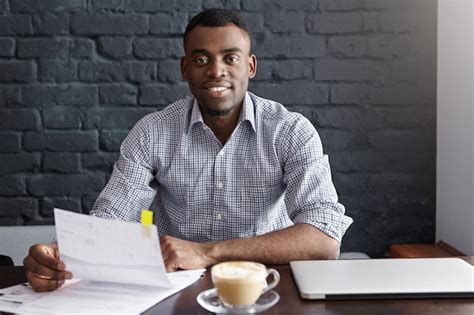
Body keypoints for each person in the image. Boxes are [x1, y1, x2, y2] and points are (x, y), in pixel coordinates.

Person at [24, 8, 352, 292]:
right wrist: (57, 256)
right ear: (185, 68)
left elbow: (324, 239)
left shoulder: (291, 131)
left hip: (265, 288)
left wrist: (208, 252)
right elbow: (113, 218)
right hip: (176, 289)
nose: (216, 70)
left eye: (230, 58)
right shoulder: (152, 132)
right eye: (201, 59)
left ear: (250, 66)